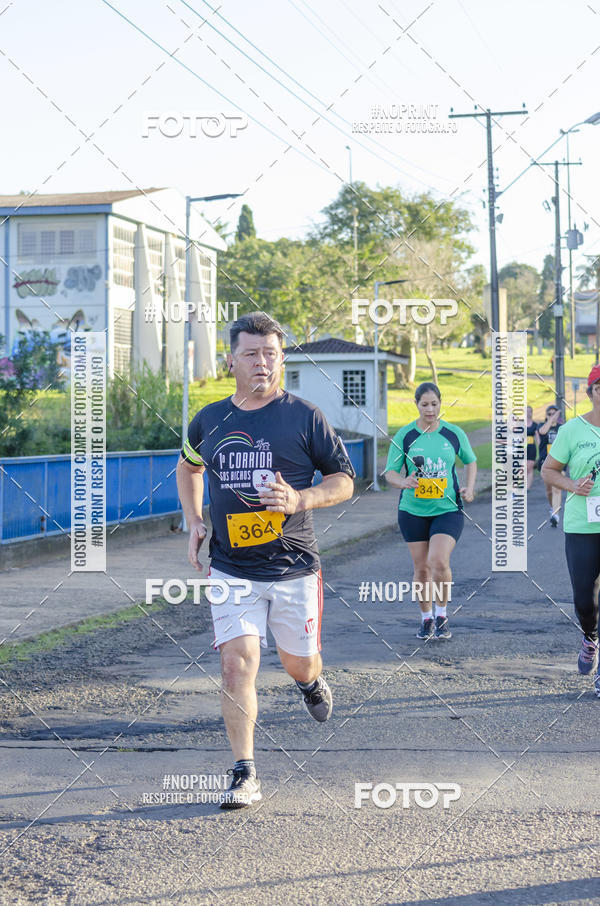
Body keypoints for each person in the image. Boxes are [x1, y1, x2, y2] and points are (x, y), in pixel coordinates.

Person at [176, 312, 355, 808]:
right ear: (231, 359)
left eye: (270, 353)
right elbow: (188, 467)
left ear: (281, 358)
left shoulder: (304, 416)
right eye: (251, 353)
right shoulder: (209, 419)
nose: (261, 362)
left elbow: (344, 480)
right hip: (231, 567)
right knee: (238, 665)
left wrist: (301, 499)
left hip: (294, 567)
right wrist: (194, 520)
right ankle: (244, 772)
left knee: (298, 663)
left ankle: (311, 682)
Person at [384, 382, 477, 641]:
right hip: (412, 510)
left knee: (439, 561)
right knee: (422, 568)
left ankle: (442, 615)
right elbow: (390, 472)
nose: (430, 409)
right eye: (424, 404)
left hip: (447, 509)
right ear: (416, 405)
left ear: (440, 403)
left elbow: (470, 461)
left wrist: (469, 488)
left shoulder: (453, 433)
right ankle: (426, 618)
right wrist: (402, 482)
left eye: (434, 404)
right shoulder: (405, 436)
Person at [541, 365, 600, 691]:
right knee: (583, 598)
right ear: (590, 392)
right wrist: (572, 485)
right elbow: (548, 471)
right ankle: (589, 637)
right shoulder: (572, 431)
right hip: (581, 526)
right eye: (599, 387)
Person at [538, 404, 565, 527]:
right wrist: (550, 420)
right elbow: (543, 432)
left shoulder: (562, 428)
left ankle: (555, 514)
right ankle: (552, 507)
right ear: (546, 415)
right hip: (545, 463)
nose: (552, 415)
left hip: (559, 462)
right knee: (549, 491)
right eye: (549, 413)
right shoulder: (541, 426)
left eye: (554, 413)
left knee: (556, 489)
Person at [526, 405, 540, 491]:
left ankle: (527, 487)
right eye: (526, 411)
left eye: (529, 411)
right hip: (521, 448)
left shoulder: (535, 425)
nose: (528, 413)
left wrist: (540, 450)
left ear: (531, 413)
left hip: (531, 448)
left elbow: (537, 438)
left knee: (529, 467)